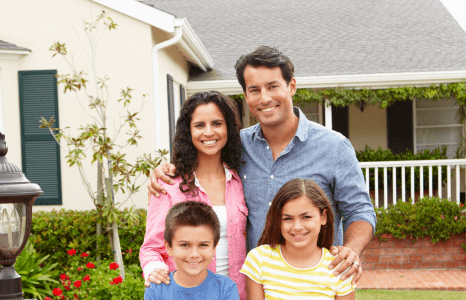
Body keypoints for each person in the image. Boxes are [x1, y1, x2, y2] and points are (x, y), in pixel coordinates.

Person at [148, 46, 376, 284]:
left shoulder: (334, 147)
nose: (264, 98)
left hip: (312, 285)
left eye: (273, 86)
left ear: (292, 86)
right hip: (254, 286)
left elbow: (360, 210)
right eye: (254, 90)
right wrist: (166, 170)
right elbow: (202, 161)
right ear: (246, 96)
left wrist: (351, 250)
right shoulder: (236, 146)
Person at [140, 91, 248, 299]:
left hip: (235, 293)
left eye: (217, 123)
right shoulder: (169, 183)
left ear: (228, 128)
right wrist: (156, 273)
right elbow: (152, 247)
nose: (209, 132)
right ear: (188, 131)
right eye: (199, 125)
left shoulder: (239, 180)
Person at [241, 178, 355, 299]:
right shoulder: (259, 260)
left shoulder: (340, 268)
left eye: (306, 217)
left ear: (323, 216)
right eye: (287, 218)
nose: (297, 227)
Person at [145, 201, 240, 300]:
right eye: (184, 245)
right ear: (169, 247)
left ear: (214, 247)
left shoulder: (226, 288)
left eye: (203, 245)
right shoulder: (156, 290)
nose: (194, 254)